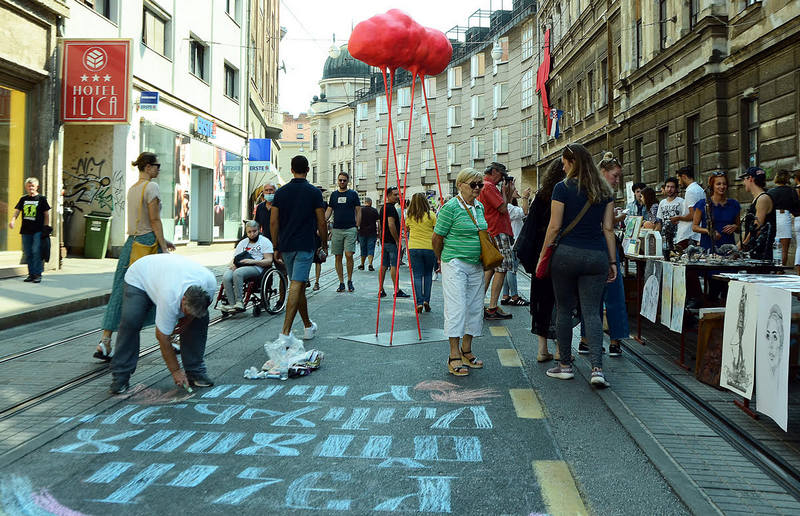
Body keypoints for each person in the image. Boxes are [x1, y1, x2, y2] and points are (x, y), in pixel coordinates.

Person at [538, 143, 616, 388]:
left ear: (572, 163)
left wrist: (543, 256)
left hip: (566, 256)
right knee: (592, 312)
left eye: (564, 163)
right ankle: (597, 369)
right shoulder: (604, 190)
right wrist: (612, 261)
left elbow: (554, 227)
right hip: (596, 256)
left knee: (563, 309)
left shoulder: (562, 188)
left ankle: (564, 366)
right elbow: (608, 229)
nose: (562, 167)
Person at [95, 152, 175, 362]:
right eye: (157, 165)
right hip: (148, 243)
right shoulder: (152, 187)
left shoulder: (132, 188)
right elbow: (155, 220)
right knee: (161, 290)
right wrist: (162, 247)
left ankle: (105, 341)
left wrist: (164, 240)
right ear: (148, 167)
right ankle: (170, 336)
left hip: (131, 244)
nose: (159, 169)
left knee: (120, 290)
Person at [109, 253, 216, 394]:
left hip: (168, 272)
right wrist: (176, 371)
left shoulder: (209, 284)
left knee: (199, 320)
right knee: (131, 320)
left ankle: (195, 371)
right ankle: (120, 376)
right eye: (185, 311)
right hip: (140, 276)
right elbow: (162, 337)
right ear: (183, 300)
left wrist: (187, 320)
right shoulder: (170, 296)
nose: (185, 315)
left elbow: (198, 310)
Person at [433, 168, 487, 377]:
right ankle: (453, 354)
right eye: (473, 184)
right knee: (457, 307)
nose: (477, 188)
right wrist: (441, 259)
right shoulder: (450, 207)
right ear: (460, 185)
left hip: (476, 264)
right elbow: (437, 237)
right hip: (454, 263)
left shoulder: (479, 207)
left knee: (474, 307)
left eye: (480, 185)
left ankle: (467, 350)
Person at [577, 152, 630, 359]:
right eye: (615, 176)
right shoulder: (603, 193)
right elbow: (605, 226)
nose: (617, 180)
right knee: (613, 292)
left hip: (589, 246)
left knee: (591, 295)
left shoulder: (584, 189)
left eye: (619, 176)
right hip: (604, 246)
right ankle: (614, 340)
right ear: (603, 172)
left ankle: (586, 339)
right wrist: (616, 219)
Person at [270, 155, 327, 345]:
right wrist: (324, 243)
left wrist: (275, 245)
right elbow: (321, 221)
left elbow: (273, 221)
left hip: (286, 245)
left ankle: (308, 325)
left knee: (299, 283)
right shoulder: (313, 192)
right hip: (305, 243)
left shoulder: (281, 192)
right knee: (296, 283)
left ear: (291, 170)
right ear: (308, 170)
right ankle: (285, 333)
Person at [529, 159, 565, 362]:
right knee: (562, 302)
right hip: (562, 252)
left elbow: (531, 229)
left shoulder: (541, 196)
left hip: (541, 256)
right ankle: (561, 348)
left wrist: (536, 258)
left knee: (542, 301)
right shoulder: (569, 193)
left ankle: (542, 349)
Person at [478, 162, 514, 320]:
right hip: (498, 231)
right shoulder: (489, 186)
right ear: (493, 172)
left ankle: (479, 304)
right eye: (500, 174)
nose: (502, 178)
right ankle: (492, 307)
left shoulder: (483, 186)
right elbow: (502, 208)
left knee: (491, 269)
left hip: (491, 230)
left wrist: (507, 193)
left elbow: (502, 206)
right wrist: (506, 192)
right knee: (501, 268)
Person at [221, 220, 274, 312]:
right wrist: (233, 264)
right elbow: (235, 258)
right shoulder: (243, 243)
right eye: (249, 232)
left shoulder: (265, 242)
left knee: (238, 273)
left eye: (254, 231)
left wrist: (252, 261)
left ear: (259, 230)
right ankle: (232, 304)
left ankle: (239, 302)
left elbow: (269, 261)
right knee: (227, 276)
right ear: (246, 232)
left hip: (257, 268)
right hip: (241, 266)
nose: (252, 234)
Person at [9, 177, 50, 283]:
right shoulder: (23, 199)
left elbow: (46, 214)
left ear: (37, 187)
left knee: (36, 251)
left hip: (38, 230)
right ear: (26, 187)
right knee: (28, 252)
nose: (30, 187)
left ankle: (38, 274)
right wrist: (13, 220)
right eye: (28, 186)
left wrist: (46, 227)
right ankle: (31, 274)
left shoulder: (42, 199)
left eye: (32, 185)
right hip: (26, 230)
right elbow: (17, 211)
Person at [326, 172, 361, 292]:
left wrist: (357, 225)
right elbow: (329, 210)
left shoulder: (353, 194)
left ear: (348, 181)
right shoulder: (334, 195)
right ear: (337, 181)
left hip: (350, 228)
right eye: (340, 180)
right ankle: (341, 282)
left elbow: (358, 211)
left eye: (344, 180)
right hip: (336, 229)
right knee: (338, 256)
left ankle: (350, 280)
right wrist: (323, 221)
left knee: (349, 255)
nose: (342, 182)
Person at [692, 171, 741, 252]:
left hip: (728, 248)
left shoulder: (734, 204)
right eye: (718, 184)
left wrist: (735, 227)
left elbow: (739, 228)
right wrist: (709, 231)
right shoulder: (703, 204)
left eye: (724, 184)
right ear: (712, 186)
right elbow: (694, 227)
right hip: (708, 246)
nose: (722, 186)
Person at [405, 192, 437, 313]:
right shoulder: (432, 215)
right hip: (429, 247)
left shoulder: (409, 216)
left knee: (417, 275)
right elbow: (436, 231)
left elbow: (407, 229)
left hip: (414, 247)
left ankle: (419, 302)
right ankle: (426, 300)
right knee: (428, 274)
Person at [500, 185, 531, 307]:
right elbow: (525, 211)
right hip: (513, 243)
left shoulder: (508, 207)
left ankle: (505, 295)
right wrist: (525, 198)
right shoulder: (508, 207)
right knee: (511, 270)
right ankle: (515, 296)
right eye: (514, 189)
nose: (517, 190)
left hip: (511, 242)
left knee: (509, 269)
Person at [378, 186, 410, 298]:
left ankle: (381, 290)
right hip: (391, 241)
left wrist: (380, 238)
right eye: (395, 195)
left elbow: (380, 225)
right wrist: (397, 240)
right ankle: (396, 290)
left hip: (385, 241)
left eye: (398, 194)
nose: (397, 197)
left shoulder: (383, 208)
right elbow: (391, 224)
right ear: (388, 196)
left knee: (383, 265)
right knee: (394, 265)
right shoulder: (391, 208)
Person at [740, 167, 776, 261]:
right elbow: (749, 229)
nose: (744, 182)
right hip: (754, 252)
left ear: (750, 178)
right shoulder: (757, 199)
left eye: (744, 179)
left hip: (761, 254)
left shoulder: (762, 199)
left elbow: (757, 228)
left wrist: (743, 246)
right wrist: (737, 247)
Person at [768, 169, 800, 265]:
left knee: (772, 247)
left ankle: (773, 269)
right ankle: (780, 271)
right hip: (784, 217)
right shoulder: (791, 191)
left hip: (773, 218)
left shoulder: (771, 191)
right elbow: (796, 206)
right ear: (787, 179)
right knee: (784, 249)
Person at [670, 166, 704, 249]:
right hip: (694, 235)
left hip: (688, 235)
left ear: (684, 177)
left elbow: (693, 215)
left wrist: (678, 218)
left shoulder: (690, 191)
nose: (678, 183)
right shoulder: (699, 189)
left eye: (679, 179)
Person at [357, 197, 380, 271]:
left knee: (363, 248)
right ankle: (370, 264)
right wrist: (379, 232)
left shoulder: (361, 210)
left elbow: (357, 221)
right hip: (372, 232)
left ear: (365, 202)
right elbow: (378, 222)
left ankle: (362, 264)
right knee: (371, 248)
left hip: (362, 232)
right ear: (370, 202)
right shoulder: (374, 210)